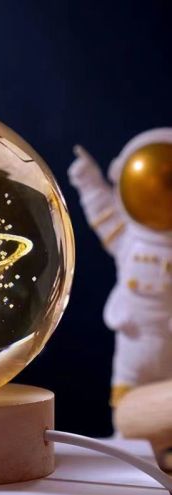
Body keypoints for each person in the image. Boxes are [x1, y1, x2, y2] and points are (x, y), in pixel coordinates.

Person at [69, 129, 172, 408]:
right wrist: (88, 180)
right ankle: (124, 430)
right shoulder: (129, 240)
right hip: (134, 335)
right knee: (126, 398)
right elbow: (103, 213)